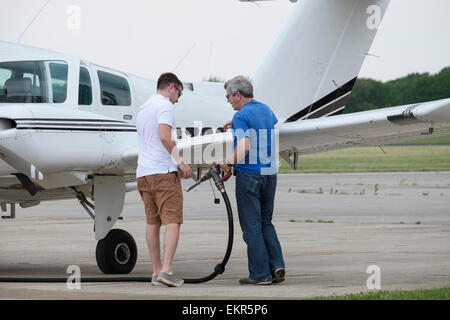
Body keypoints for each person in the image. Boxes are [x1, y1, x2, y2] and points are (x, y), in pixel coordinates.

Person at [220, 75, 285, 285]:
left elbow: (244, 147)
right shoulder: (266, 109)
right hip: (269, 174)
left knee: (251, 227)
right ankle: (277, 266)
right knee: (266, 222)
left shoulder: (241, 117)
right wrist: (240, 123)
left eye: (228, 96)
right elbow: (268, 128)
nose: (228, 100)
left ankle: (260, 274)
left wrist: (228, 163)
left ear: (238, 95)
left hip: (250, 175)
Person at [136, 72, 192, 287]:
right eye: (179, 92)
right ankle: (167, 270)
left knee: (152, 223)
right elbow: (164, 137)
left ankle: (156, 270)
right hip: (162, 173)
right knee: (172, 221)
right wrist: (181, 163)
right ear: (171, 87)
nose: (178, 98)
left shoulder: (143, 108)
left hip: (143, 172)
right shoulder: (165, 106)